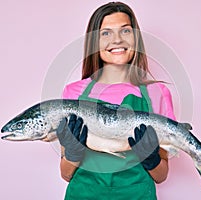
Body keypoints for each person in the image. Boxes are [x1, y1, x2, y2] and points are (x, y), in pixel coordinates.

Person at [56, 2, 175, 199]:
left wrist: (151, 159)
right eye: (106, 33)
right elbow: (66, 174)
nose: (117, 40)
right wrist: (73, 152)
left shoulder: (157, 93)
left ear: (135, 38)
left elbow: (161, 175)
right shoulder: (73, 93)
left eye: (125, 31)